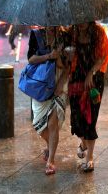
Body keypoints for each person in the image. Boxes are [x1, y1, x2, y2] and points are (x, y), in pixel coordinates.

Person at [67, 21, 108, 173]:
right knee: (76, 120)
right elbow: (65, 56)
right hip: (75, 80)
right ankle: (84, 143)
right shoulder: (71, 32)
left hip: (94, 81)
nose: (80, 23)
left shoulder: (99, 32)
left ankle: (90, 159)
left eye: (83, 19)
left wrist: (90, 73)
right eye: (78, 19)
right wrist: (67, 53)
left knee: (90, 119)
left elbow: (103, 57)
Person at [27, 26, 69, 175]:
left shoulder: (64, 36)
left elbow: (68, 66)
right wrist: (49, 56)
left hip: (59, 82)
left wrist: (60, 82)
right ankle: (50, 146)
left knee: (53, 123)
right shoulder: (37, 35)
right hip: (41, 84)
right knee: (38, 123)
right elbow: (31, 59)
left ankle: (51, 160)